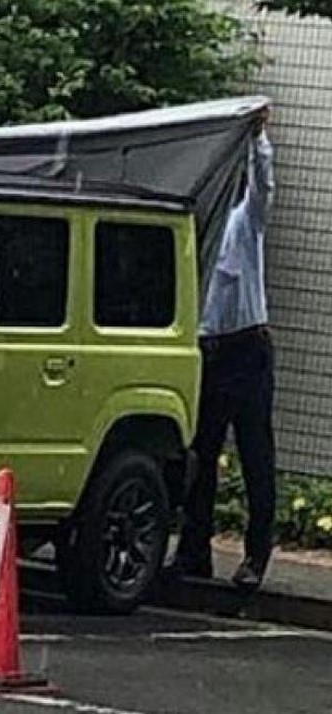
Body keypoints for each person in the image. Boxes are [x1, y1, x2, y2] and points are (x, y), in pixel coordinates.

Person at [170, 108, 276, 591]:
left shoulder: (242, 223)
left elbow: (263, 190)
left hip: (246, 347)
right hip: (207, 350)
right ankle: (194, 551)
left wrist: (257, 141)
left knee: (255, 453)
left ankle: (256, 556)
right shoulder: (194, 230)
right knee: (201, 453)